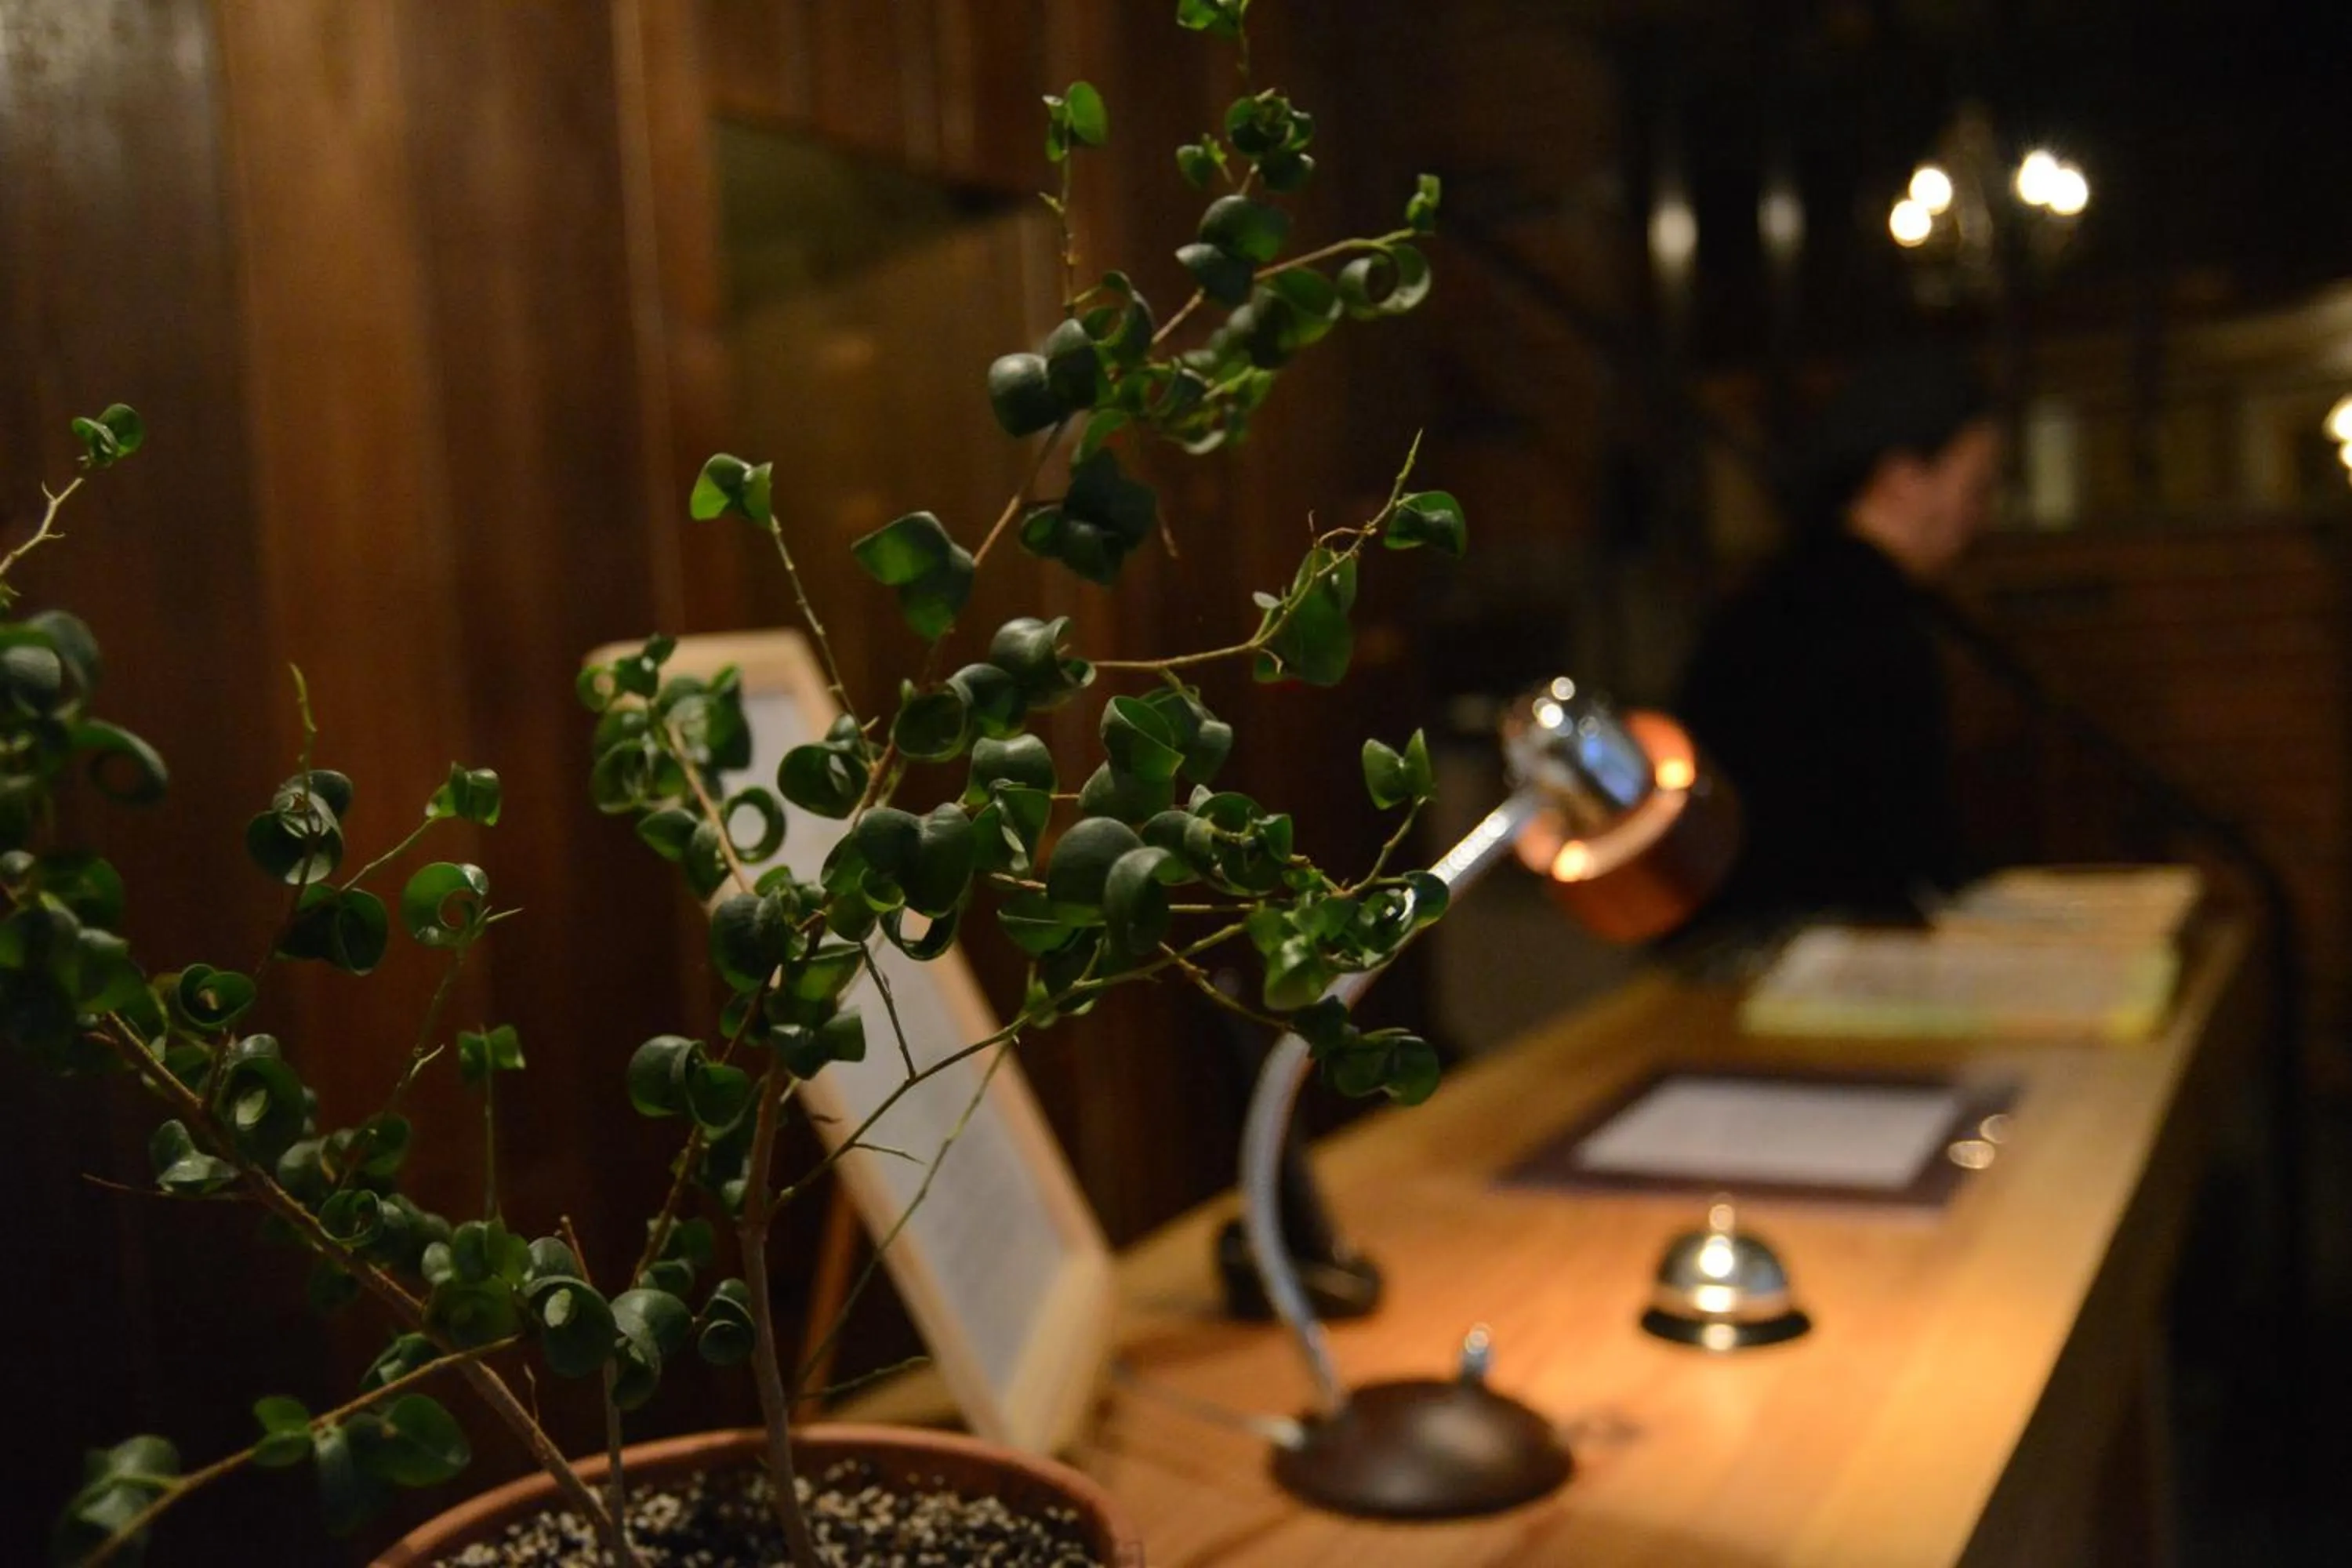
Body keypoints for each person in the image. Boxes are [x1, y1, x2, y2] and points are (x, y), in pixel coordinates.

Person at [1676, 349, 2002, 927]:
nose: (1980, 517)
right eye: (1974, 489)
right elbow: (1909, 843)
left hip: (1739, 933)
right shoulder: (1873, 620)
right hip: (1808, 950)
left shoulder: (1775, 597)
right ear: (1902, 481)